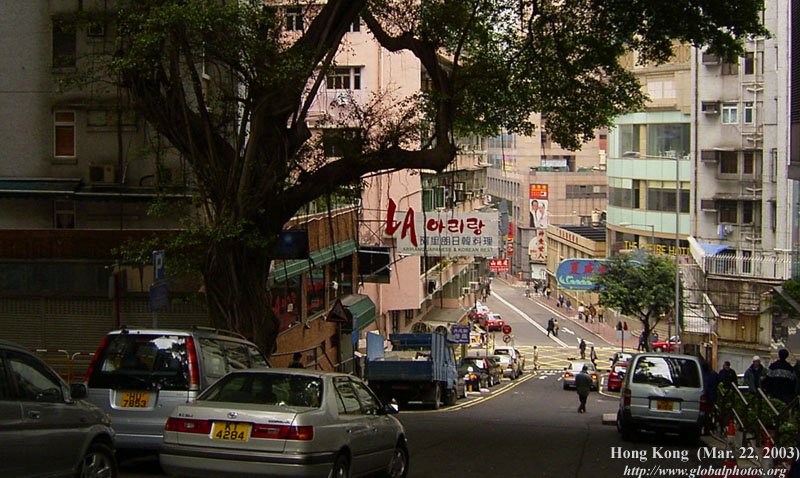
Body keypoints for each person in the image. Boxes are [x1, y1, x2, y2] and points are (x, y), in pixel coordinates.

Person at [701, 360, 720, 435]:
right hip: (712, 396)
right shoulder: (714, 374)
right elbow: (718, 380)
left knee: (705, 413)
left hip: (705, 395)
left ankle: (708, 427)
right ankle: (708, 428)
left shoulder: (703, 375)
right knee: (708, 412)